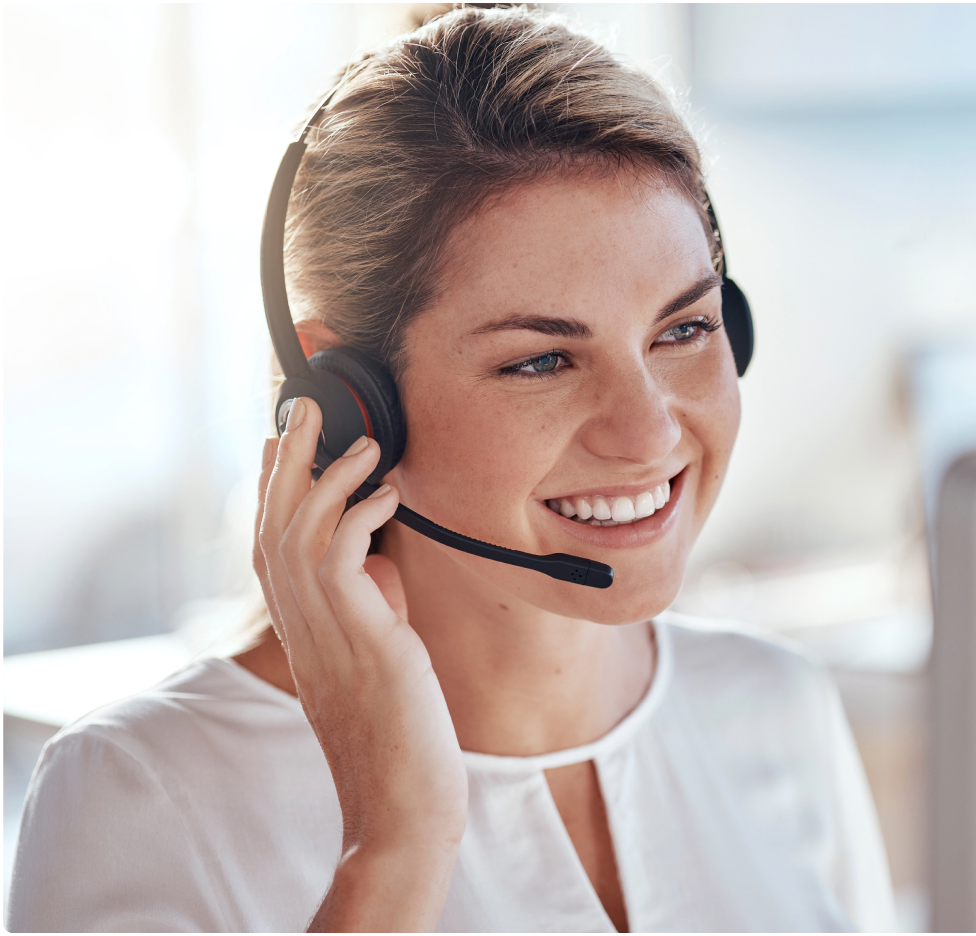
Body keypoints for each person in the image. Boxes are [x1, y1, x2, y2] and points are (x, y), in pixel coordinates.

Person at [6, 7, 896, 932]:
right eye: (541, 360)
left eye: (684, 329)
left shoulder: (774, 707)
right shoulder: (142, 793)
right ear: (351, 403)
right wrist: (393, 846)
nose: (646, 433)